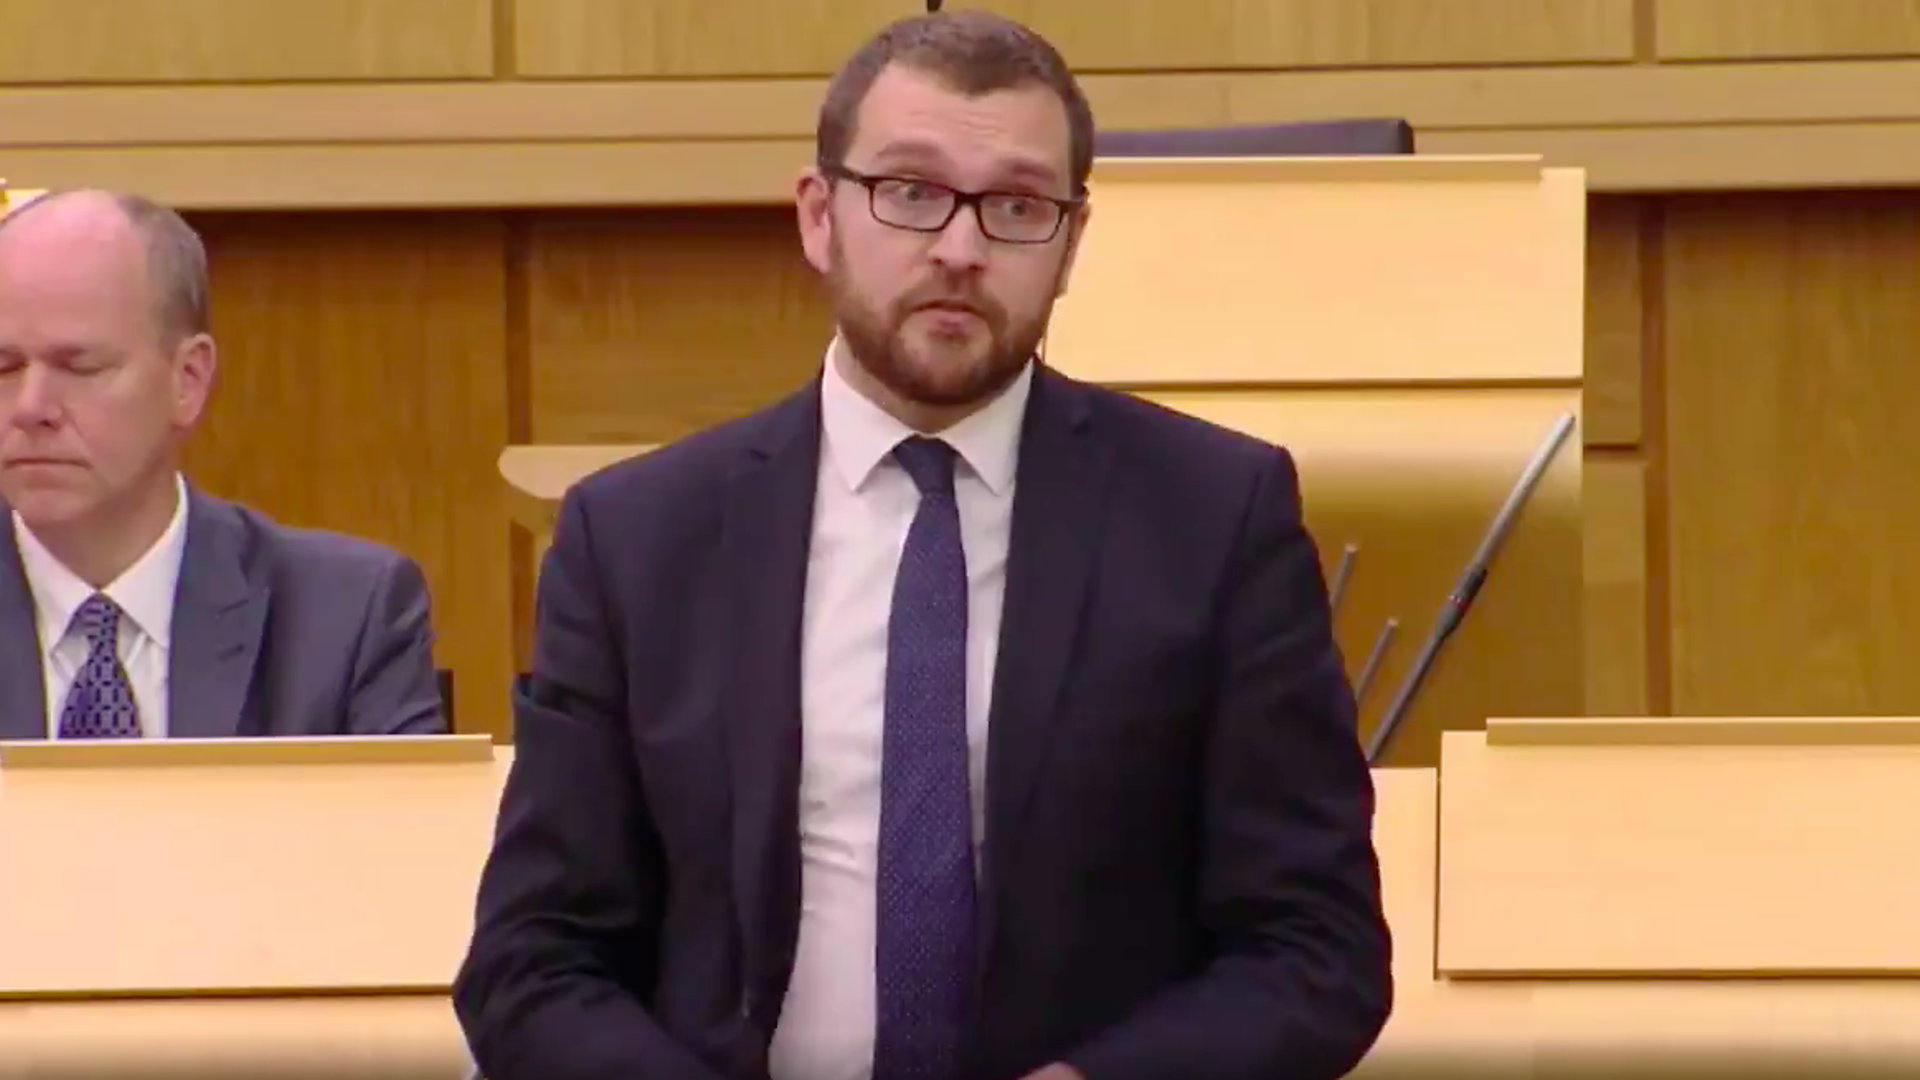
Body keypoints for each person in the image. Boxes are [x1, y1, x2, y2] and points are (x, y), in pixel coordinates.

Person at [455, 10, 1390, 1080]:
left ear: (1072, 243)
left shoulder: (1216, 518)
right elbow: (533, 962)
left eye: (1017, 207)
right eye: (909, 192)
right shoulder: (637, 539)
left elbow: (1317, 950)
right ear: (819, 217)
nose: (960, 248)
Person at [0, 189, 446, 739]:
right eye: (4, 368)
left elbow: (402, 825)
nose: (29, 408)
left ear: (188, 379)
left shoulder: (348, 616)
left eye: (80, 366)